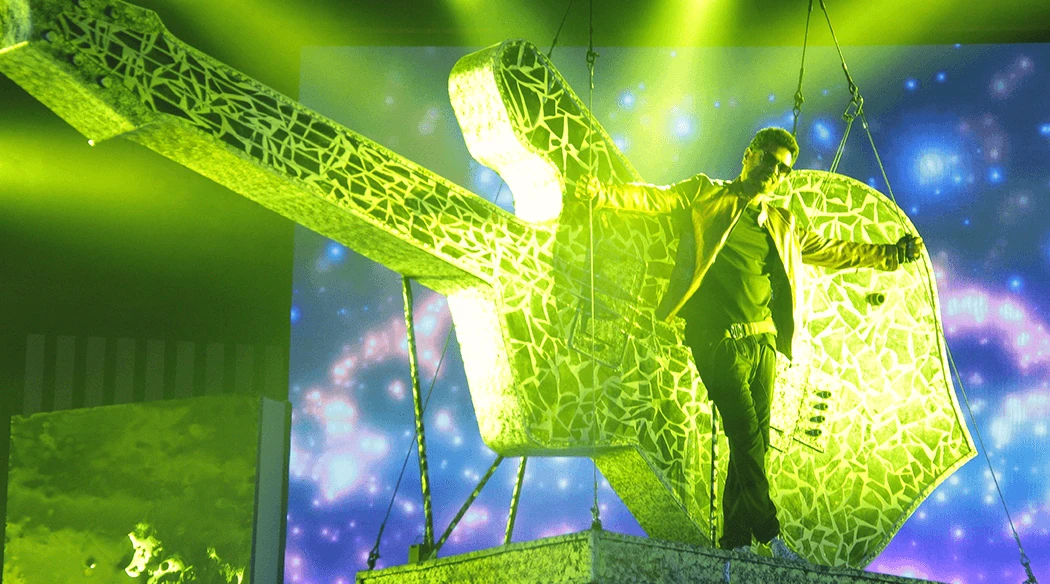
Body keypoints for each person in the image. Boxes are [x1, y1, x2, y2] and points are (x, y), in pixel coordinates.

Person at [578, 126, 922, 562]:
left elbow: (832, 250)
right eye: (770, 161)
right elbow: (655, 199)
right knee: (745, 437)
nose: (775, 173)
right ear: (749, 155)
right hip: (715, 339)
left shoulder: (782, 221)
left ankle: (736, 544)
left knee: (752, 445)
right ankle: (770, 534)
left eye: (783, 169)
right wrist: (603, 194)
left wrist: (889, 255)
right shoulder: (707, 194)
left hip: (763, 343)